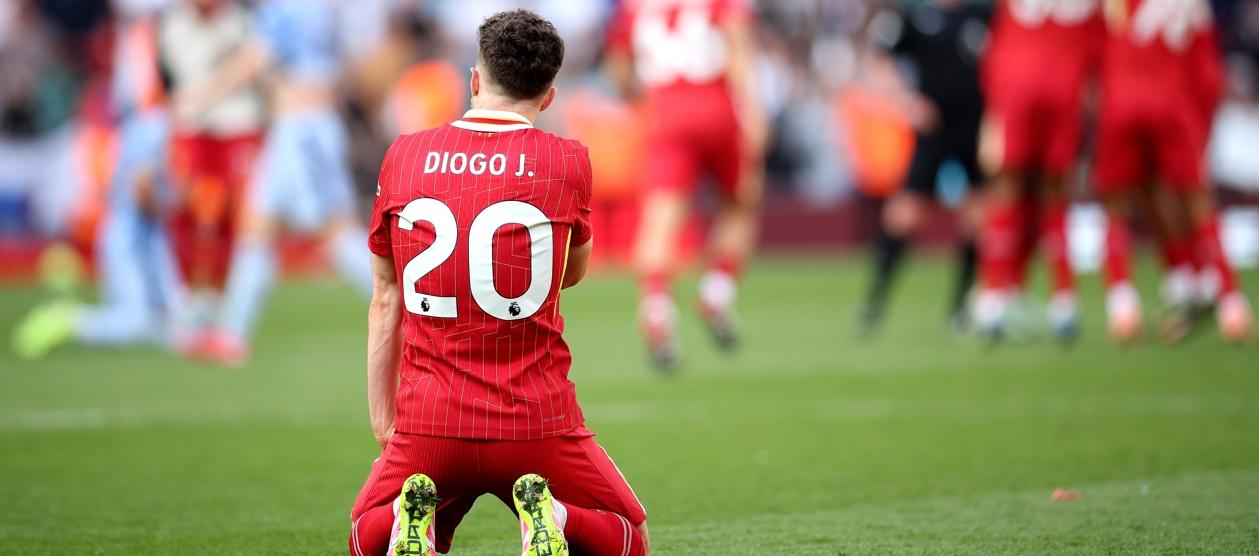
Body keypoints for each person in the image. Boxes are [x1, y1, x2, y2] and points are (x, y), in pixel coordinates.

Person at [348, 11, 648, 556]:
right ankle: (553, 514)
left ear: (474, 79)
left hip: (430, 420)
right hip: (535, 419)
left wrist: (386, 420)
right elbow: (569, 274)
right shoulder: (567, 160)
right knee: (629, 537)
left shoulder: (404, 156)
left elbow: (385, 299)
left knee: (363, 535)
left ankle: (404, 520)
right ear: (550, 96)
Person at [176, 0, 373, 366]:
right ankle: (231, 335)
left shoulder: (289, 7)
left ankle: (412, 316)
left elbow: (258, 57)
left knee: (334, 234)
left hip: (303, 130)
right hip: (298, 128)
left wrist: (202, 95)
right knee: (256, 225)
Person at [606, 0, 767, 371]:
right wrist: (755, 114)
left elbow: (618, 66)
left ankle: (657, 311)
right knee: (742, 201)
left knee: (660, 218)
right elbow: (738, 50)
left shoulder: (635, 7)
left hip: (665, 113)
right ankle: (717, 292)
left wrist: (640, 101)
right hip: (718, 107)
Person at [1092, 0, 1252, 343]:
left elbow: (1094, 43)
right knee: (1196, 200)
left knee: (1117, 204)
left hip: (1122, 102)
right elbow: (1208, 70)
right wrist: (1202, 124)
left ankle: (1123, 305)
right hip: (1172, 102)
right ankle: (1229, 302)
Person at [856, 0, 991, 337]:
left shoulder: (983, 14)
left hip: (975, 130)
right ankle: (874, 304)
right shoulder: (914, 17)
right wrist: (907, 102)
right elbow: (877, 61)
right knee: (904, 215)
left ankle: (961, 307)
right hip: (933, 133)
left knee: (978, 220)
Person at [973, 0, 1104, 342]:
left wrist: (993, 111)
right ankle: (1064, 302)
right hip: (1065, 87)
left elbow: (996, 45)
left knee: (1006, 189)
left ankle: (993, 298)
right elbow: (1099, 51)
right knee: (1055, 196)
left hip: (1017, 85)